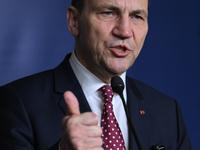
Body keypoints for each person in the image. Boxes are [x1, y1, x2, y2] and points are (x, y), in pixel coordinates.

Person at [0, 0, 192, 149]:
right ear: (74, 21)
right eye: (108, 13)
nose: (125, 31)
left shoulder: (167, 111)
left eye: (137, 16)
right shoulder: (16, 103)